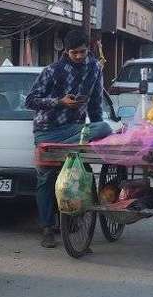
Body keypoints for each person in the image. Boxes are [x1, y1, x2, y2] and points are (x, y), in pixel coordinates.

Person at [25, 29, 112, 249]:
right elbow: (30, 101)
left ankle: (75, 218)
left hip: (76, 130)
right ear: (66, 51)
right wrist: (60, 102)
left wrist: (96, 135)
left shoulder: (95, 69)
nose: (79, 56)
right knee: (45, 179)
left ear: (88, 48)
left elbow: (95, 106)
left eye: (82, 52)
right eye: (74, 53)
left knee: (103, 127)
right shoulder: (52, 70)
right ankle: (47, 228)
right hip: (48, 131)